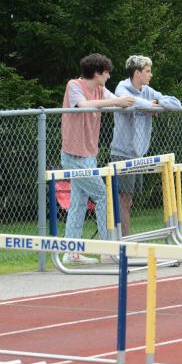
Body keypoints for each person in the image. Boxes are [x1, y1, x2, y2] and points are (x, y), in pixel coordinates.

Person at [59, 53, 136, 263]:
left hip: (89, 155)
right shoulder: (74, 85)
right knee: (104, 196)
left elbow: (119, 102)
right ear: (97, 72)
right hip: (73, 155)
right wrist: (117, 101)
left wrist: (150, 104)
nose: (109, 76)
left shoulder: (101, 90)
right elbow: (83, 105)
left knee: (78, 204)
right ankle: (107, 248)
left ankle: (71, 252)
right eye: (107, 72)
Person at [111, 55, 182, 236]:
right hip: (122, 153)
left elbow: (176, 103)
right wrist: (146, 105)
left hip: (139, 153)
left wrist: (155, 104)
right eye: (148, 71)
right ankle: (125, 242)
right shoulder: (122, 86)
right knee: (123, 200)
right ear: (137, 73)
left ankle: (126, 238)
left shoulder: (148, 91)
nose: (151, 74)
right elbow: (127, 100)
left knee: (130, 200)